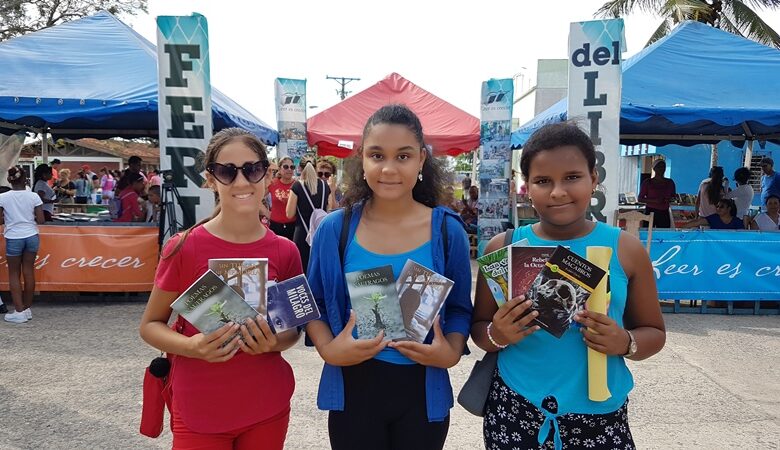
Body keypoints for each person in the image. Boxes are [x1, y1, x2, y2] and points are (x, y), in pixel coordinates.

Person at [472, 122, 665, 450]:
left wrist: (625, 342)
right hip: (515, 408)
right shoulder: (503, 248)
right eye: (543, 181)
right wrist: (497, 335)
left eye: (572, 177)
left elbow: (654, 333)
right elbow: (479, 329)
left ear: (594, 179)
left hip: (600, 416)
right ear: (527, 187)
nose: (558, 192)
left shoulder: (626, 250)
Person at [305, 104, 473, 450]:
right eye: (377, 154)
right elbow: (314, 301)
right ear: (361, 159)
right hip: (355, 387)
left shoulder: (446, 230)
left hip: (422, 391)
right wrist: (328, 348)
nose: (389, 168)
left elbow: (459, 308)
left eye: (404, 156)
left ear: (421, 161)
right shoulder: (335, 229)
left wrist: (452, 350)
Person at [139, 127, 302, 449]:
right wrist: (193, 347)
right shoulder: (183, 247)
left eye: (252, 170)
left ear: (267, 176)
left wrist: (272, 342)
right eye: (227, 172)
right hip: (199, 407)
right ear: (210, 179)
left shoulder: (286, 251)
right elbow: (150, 326)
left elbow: (293, 330)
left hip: (267, 404)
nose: (241, 182)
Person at [0, 166, 44, 324]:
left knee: (13, 273)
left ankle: (18, 311)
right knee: (29, 271)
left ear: (9, 180)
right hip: (31, 235)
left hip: (13, 237)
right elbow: (41, 220)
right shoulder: (33, 196)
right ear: (25, 178)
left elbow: (0, 220)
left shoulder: (3, 197)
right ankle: (26, 308)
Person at [287, 158, 330, 270]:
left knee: (302, 270)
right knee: (318, 269)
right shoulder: (325, 186)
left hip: (302, 234)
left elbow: (289, 214)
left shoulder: (297, 186)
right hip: (320, 234)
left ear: (300, 169)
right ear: (316, 169)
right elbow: (330, 209)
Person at [638, 159, 676, 228]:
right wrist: (654, 201)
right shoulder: (647, 182)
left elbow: (673, 197)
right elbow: (640, 199)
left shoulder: (670, 182)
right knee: (647, 232)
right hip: (650, 211)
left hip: (664, 212)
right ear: (654, 168)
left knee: (663, 234)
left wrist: (668, 200)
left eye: (663, 167)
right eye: (659, 167)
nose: (661, 169)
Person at [268, 156, 296, 240]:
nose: (289, 169)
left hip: (293, 226)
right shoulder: (272, 183)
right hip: (275, 226)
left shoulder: (297, 185)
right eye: (286, 167)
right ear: (279, 169)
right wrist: (267, 213)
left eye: (292, 167)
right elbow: (257, 198)